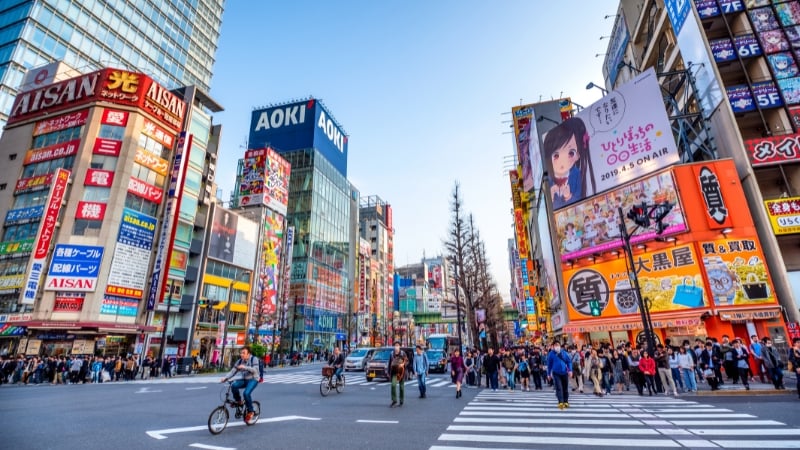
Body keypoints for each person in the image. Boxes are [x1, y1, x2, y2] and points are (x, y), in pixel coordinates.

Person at [542, 117, 595, 209]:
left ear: (578, 155)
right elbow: (547, 211)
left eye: (571, 153)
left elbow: (581, 203)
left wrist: (568, 196)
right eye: (556, 155)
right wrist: (551, 198)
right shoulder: (547, 180)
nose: (563, 161)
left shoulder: (576, 174)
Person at [220, 346, 259, 422]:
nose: (241, 354)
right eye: (241, 353)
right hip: (244, 379)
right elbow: (233, 371)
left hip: (253, 379)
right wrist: (225, 378)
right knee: (234, 385)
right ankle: (239, 401)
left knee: (246, 393)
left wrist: (245, 367)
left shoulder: (254, 359)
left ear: (248, 354)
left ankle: (250, 411)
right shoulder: (239, 361)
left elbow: (255, 370)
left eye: (243, 353)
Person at [546, 341, 573, 409]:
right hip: (556, 373)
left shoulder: (564, 353)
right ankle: (560, 402)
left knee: (565, 387)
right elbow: (549, 365)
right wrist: (548, 374)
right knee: (559, 387)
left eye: (558, 345)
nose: (556, 346)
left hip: (564, 373)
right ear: (553, 346)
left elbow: (569, 361)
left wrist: (570, 370)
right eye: (555, 345)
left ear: (560, 346)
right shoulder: (551, 354)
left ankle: (566, 401)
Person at [388, 342, 408, 407]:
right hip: (394, 372)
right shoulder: (391, 354)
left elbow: (407, 361)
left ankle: (401, 401)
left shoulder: (403, 353)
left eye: (397, 345)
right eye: (395, 345)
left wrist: (403, 364)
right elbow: (389, 363)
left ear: (400, 346)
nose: (396, 347)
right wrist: (388, 372)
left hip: (401, 372)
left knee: (401, 387)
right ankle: (394, 400)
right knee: (393, 385)